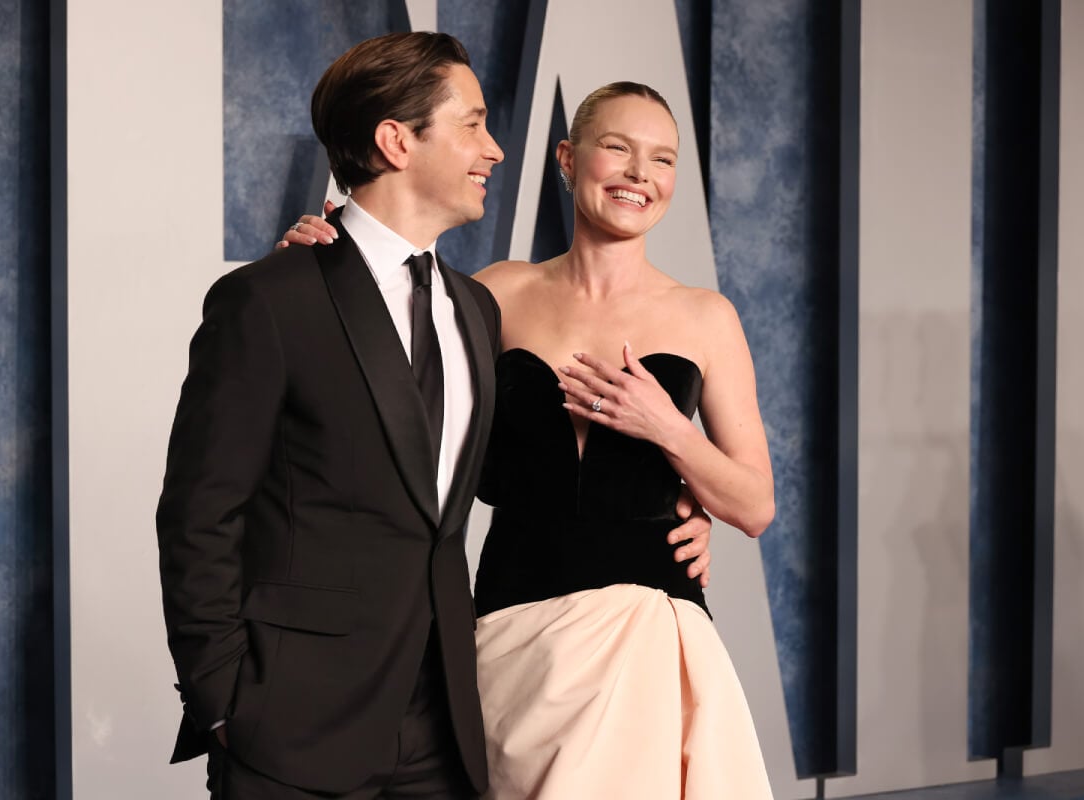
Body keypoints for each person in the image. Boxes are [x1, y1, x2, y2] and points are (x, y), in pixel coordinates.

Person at [159, 32, 713, 800]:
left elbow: (505, 471)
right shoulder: (270, 299)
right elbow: (199, 515)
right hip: (290, 725)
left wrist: (675, 500)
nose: (495, 149)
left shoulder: (475, 309)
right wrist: (223, 702)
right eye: (473, 124)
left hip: (447, 726)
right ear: (396, 141)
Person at [283, 82, 775, 798]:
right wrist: (317, 269)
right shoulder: (496, 293)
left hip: (647, 634)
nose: (641, 174)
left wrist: (666, 430)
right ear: (569, 160)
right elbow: (374, 384)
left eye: (661, 159)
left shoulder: (707, 317)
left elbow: (754, 504)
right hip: (510, 632)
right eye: (618, 148)